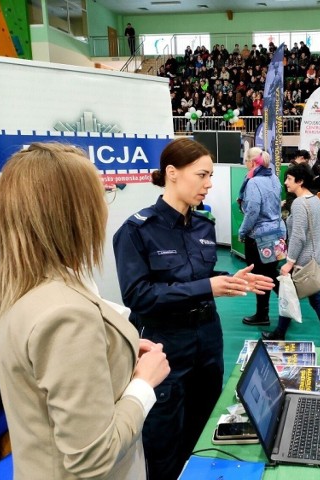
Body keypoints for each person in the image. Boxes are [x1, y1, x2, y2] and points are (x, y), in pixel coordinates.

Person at [0, 143, 170, 479]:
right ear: (74, 212)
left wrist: (121, 357)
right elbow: (93, 457)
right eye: (99, 195)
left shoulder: (18, 288)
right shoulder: (64, 313)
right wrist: (144, 384)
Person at [113, 138, 274, 479]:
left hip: (208, 340)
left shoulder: (203, 225)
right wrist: (207, 287)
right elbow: (139, 296)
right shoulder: (137, 231)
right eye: (202, 175)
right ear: (172, 173)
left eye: (211, 175)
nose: (209, 184)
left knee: (205, 430)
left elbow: (199, 277)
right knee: (164, 443)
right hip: (165, 346)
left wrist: (230, 281)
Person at [262, 163, 320, 340]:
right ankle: (280, 332)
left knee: (307, 299)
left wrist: (290, 262)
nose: (286, 182)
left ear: (300, 181)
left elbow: (299, 236)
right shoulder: (315, 199)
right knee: (292, 295)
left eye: (289, 179)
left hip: (303, 262)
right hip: (316, 258)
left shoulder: (299, 204)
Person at [238, 147, 286, 326]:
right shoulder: (273, 178)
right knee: (271, 272)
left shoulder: (253, 183)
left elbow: (252, 212)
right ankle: (289, 302)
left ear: (251, 162)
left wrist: (242, 232)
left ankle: (262, 314)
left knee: (260, 276)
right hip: (277, 232)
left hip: (259, 236)